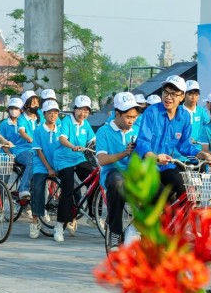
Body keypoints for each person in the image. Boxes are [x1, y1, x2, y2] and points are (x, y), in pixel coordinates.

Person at [134, 76, 211, 201]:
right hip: (146, 165)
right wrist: (154, 156)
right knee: (160, 195)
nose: (168, 97)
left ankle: (178, 220)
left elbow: (185, 146)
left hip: (166, 165)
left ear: (181, 97)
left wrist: (204, 155)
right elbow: (142, 141)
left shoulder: (184, 116)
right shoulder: (152, 112)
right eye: (165, 92)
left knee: (187, 191)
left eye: (173, 94)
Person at [97, 91, 141, 250]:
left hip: (134, 173)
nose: (132, 121)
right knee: (117, 182)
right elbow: (102, 160)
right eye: (128, 117)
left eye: (134, 117)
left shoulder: (137, 130)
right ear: (117, 114)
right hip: (112, 172)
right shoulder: (104, 131)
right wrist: (124, 153)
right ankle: (115, 232)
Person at [52, 95, 95, 242]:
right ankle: (59, 226)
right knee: (68, 190)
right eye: (80, 110)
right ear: (74, 109)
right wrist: (72, 146)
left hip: (80, 158)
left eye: (86, 111)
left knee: (95, 178)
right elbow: (62, 138)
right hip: (64, 160)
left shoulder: (86, 124)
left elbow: (93, 141)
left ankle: (93, 215)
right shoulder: (66, 121)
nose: (83, 114)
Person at [29, 99, 63, 238]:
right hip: (41, 165)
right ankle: (35, 221)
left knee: (73, 185)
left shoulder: (61, 129)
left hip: (58, 164)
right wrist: (49, 168)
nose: (53, 115)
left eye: (55, 112)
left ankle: (71, 218)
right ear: (44, 114)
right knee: (37, 188)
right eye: (50, 112)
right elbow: (39, 151)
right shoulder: (38, 130)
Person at [0, 96, 36, 205]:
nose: (13, 111)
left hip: (21, 153)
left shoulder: (24, 122)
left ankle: (24, 205)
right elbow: (3, 142)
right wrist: (10, 155)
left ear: (21, 110)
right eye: (11, 108)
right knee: (3, 181)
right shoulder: (5, 124)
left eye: (16, 108)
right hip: (6, 155)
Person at [183, 80, 210, 148]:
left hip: (198, 150)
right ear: (184, 95)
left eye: (196, 94)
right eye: (190, 94)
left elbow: (209, 127)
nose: (193, 97)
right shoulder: (177, 110)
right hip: (180, 151)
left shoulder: (201, 111)